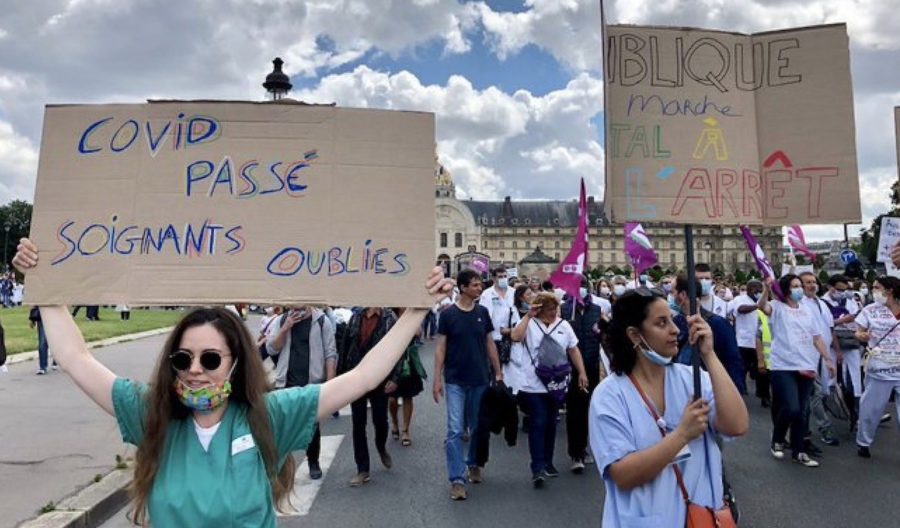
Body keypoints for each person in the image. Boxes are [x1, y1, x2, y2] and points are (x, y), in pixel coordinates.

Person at [11, 237, 453, 527]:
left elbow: (363, 377)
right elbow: (74, 358)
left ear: (236, 362)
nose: (195, 368)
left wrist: (416, 309)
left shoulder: (271, 414)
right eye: (183, 357)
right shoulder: (152, 412)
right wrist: (44, 284)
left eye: (209, 357)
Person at [589, 288, 748, 527]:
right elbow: (623, 475)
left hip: (701, 517)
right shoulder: (610, 395)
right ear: (634, 334)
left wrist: (709, 355)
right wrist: (682, 435)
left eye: (673, 319)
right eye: (661, 323)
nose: (675, 329)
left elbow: (736, 425)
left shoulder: (693, 378)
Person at [433, 268, 503, 501]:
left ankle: (473, 462)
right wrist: (436, 379)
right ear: (462, 287)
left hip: (480, 379)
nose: (479, 287)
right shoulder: (448, 314)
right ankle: (457, 479)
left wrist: (498, 372)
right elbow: (441, 347)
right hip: (454, 379)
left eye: (479, 284)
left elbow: (490, 344)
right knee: (454, 430)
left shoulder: (483, 312)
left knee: (476, 427)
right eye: (474, 285)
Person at [510, 291, 588, 487]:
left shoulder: (564, 326)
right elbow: (515, 337)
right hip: (532, 383)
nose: (553, 312)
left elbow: (573, 349)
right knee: (538, 421)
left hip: (556, 384)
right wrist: (528, 315)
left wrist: (582, 373)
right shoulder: (529, 324)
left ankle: (548, 461)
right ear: (540, 309)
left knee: (551, 422)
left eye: (555, 308)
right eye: (549, 309)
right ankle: (537, 468)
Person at [757, 274, 835, 467]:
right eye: (794, 286)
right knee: (791, 407)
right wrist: (766, 289)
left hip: (806, 364)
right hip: (783, 365)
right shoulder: (777, 307)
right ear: (786, 289)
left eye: (800, 285)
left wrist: (827, 359)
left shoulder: (808, 310)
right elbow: (762, 307)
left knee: (803, 411)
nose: (799, 289)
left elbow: (817, 337)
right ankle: (778, 437)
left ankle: (799, 451)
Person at [266, 305, 337, 481]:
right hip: (286, 381)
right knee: (281, 427)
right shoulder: (281, 320)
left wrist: (330, 384)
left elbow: (330, 353)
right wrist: (285, 328)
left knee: (312, 426)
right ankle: (280, 466)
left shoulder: (321, 321)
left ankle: (313, 462)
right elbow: (271, 349)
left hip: (312, 383)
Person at [340, 306, 399, 486]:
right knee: (358, 424)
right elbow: (345, 346)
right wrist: (341, 375)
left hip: (380, 377)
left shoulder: (389, 318)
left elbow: (399, 349)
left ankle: (381, 446)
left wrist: (394, 378)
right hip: (356, 375)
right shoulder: (356, 317)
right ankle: (362, 469)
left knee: (380, 421)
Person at [670, 276, 746, 395]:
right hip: (680, 392)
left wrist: (734, 395)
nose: (670, 296)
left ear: (682, 295)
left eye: (672, 292)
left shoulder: (718, 324)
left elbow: (733, 361)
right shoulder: (676, 322)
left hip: (710, 393)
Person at [559, 279, 603, 474]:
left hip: (592, 365)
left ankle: (583, 446)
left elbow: (601, 336)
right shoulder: (565, 309)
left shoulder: (597, 310)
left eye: (585, 286)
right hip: (571, 367)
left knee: (587, 408)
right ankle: (575, 453)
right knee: (574, 409)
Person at [853, 276, 900, 458]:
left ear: (889, 290)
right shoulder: (870, 310)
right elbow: (858, 331)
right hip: (880, 369)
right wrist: (861, 335)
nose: (873, 290)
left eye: (876, 287)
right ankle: (863, 442)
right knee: (871, 409)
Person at [799, 272, 840, 448]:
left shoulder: (822, 304)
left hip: (823, 356)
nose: (812, 285)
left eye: (814, 282)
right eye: (807, 282)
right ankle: (824, 428)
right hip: (805, 356)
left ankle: (800, 431)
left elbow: (829, 330)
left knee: (818, 393)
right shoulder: (797, 305)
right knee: (814, 393)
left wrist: (833, 353)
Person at [389, 308, 426, 447]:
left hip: (408, 360)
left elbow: (418, 332)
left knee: (407, 396)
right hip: (391, 360)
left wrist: (408, 318)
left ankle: (405, 430)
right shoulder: (389, 315)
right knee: (392, 398)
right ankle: (394, 422)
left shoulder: (412, 314)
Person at [732, 280, 767, 404]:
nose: (758, 292)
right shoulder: (740, 299)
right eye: (756, 289)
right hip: (744, 342)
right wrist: (757, 306)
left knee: (762, 370)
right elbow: (740, 310)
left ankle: (764, 396)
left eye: (760, 289)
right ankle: (740, 392)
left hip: (760, 342)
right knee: (742, 369)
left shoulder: (764, 300)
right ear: (749, 289)